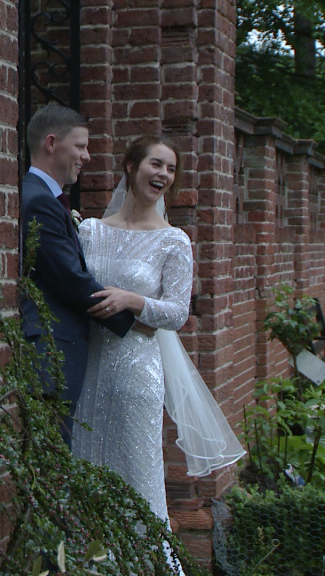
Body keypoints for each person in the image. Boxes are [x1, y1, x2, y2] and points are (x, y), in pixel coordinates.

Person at [71, 135, 245, 528]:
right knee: (83, 470)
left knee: (138, 478)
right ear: (131, 166)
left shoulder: (173, 241)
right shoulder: (90, 231)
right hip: (87, 368)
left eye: (171, 168)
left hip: (137, 376)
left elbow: (178, 313)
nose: (164, 174)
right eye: (156, 164)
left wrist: (133, 301)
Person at [19, 103, 136, 444]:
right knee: (50, 454)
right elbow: (69, 279)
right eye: (81, 146)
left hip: (60, 348)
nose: (87, 156)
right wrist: (130, 318)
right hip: (50, 350)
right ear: (51, 143)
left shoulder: (45, 198)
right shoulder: (38, 200)